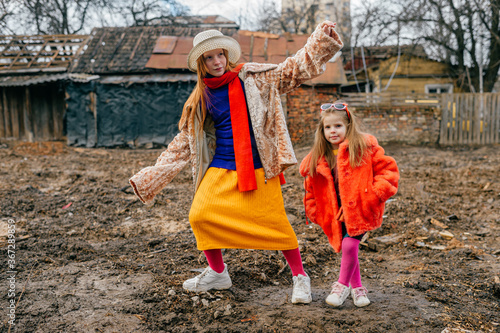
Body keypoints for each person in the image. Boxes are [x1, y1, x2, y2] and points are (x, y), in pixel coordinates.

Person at [129, 21, 343, 304]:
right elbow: (183, 142)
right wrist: (150, 176)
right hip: (220, 166)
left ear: (227, 55)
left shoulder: (253, 78)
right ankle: (218, 272)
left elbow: (293, 69)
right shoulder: (200, 96)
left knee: (277, 225)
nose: (217, 62)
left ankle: (300, 277)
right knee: (200, 215)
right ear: (201, 63)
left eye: (220, 55)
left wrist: (321, 40)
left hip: (257, 167)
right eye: (209, 57)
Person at [299, 101, 399, 307]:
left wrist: (372, 196)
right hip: (336, 212)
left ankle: (341, 285)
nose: (333, 131)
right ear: (322, 130)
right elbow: (310, 189)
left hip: (361, 208)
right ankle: (358, 289)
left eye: (338, 126)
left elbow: (387, 171)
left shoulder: (364, 147)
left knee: (350, 244)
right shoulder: (319, 158)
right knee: (349, 249)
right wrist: (315, 211)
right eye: (328, 127)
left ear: (348, 126)